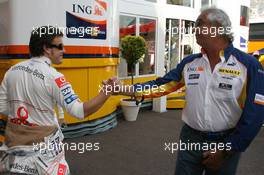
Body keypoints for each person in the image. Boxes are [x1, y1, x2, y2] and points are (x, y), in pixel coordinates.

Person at [107, 7, 264, 175]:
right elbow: (161, 85)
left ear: (218, 28)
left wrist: (227, 149)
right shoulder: (189, 63)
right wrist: (124, 89)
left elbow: (255, 114)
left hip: (225, 141)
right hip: (190, 138)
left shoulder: (249, 65)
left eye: (199, 24)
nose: (194, 29)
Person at [0, 26, 111, 174]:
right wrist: (108, 91)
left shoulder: (12, 71)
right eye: (60, 46)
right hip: (45, 154)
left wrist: (24, 119)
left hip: (14, 148)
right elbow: (79, 111)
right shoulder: (54, 77)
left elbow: (2, 107)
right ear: (46, 48)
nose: (64, 51)